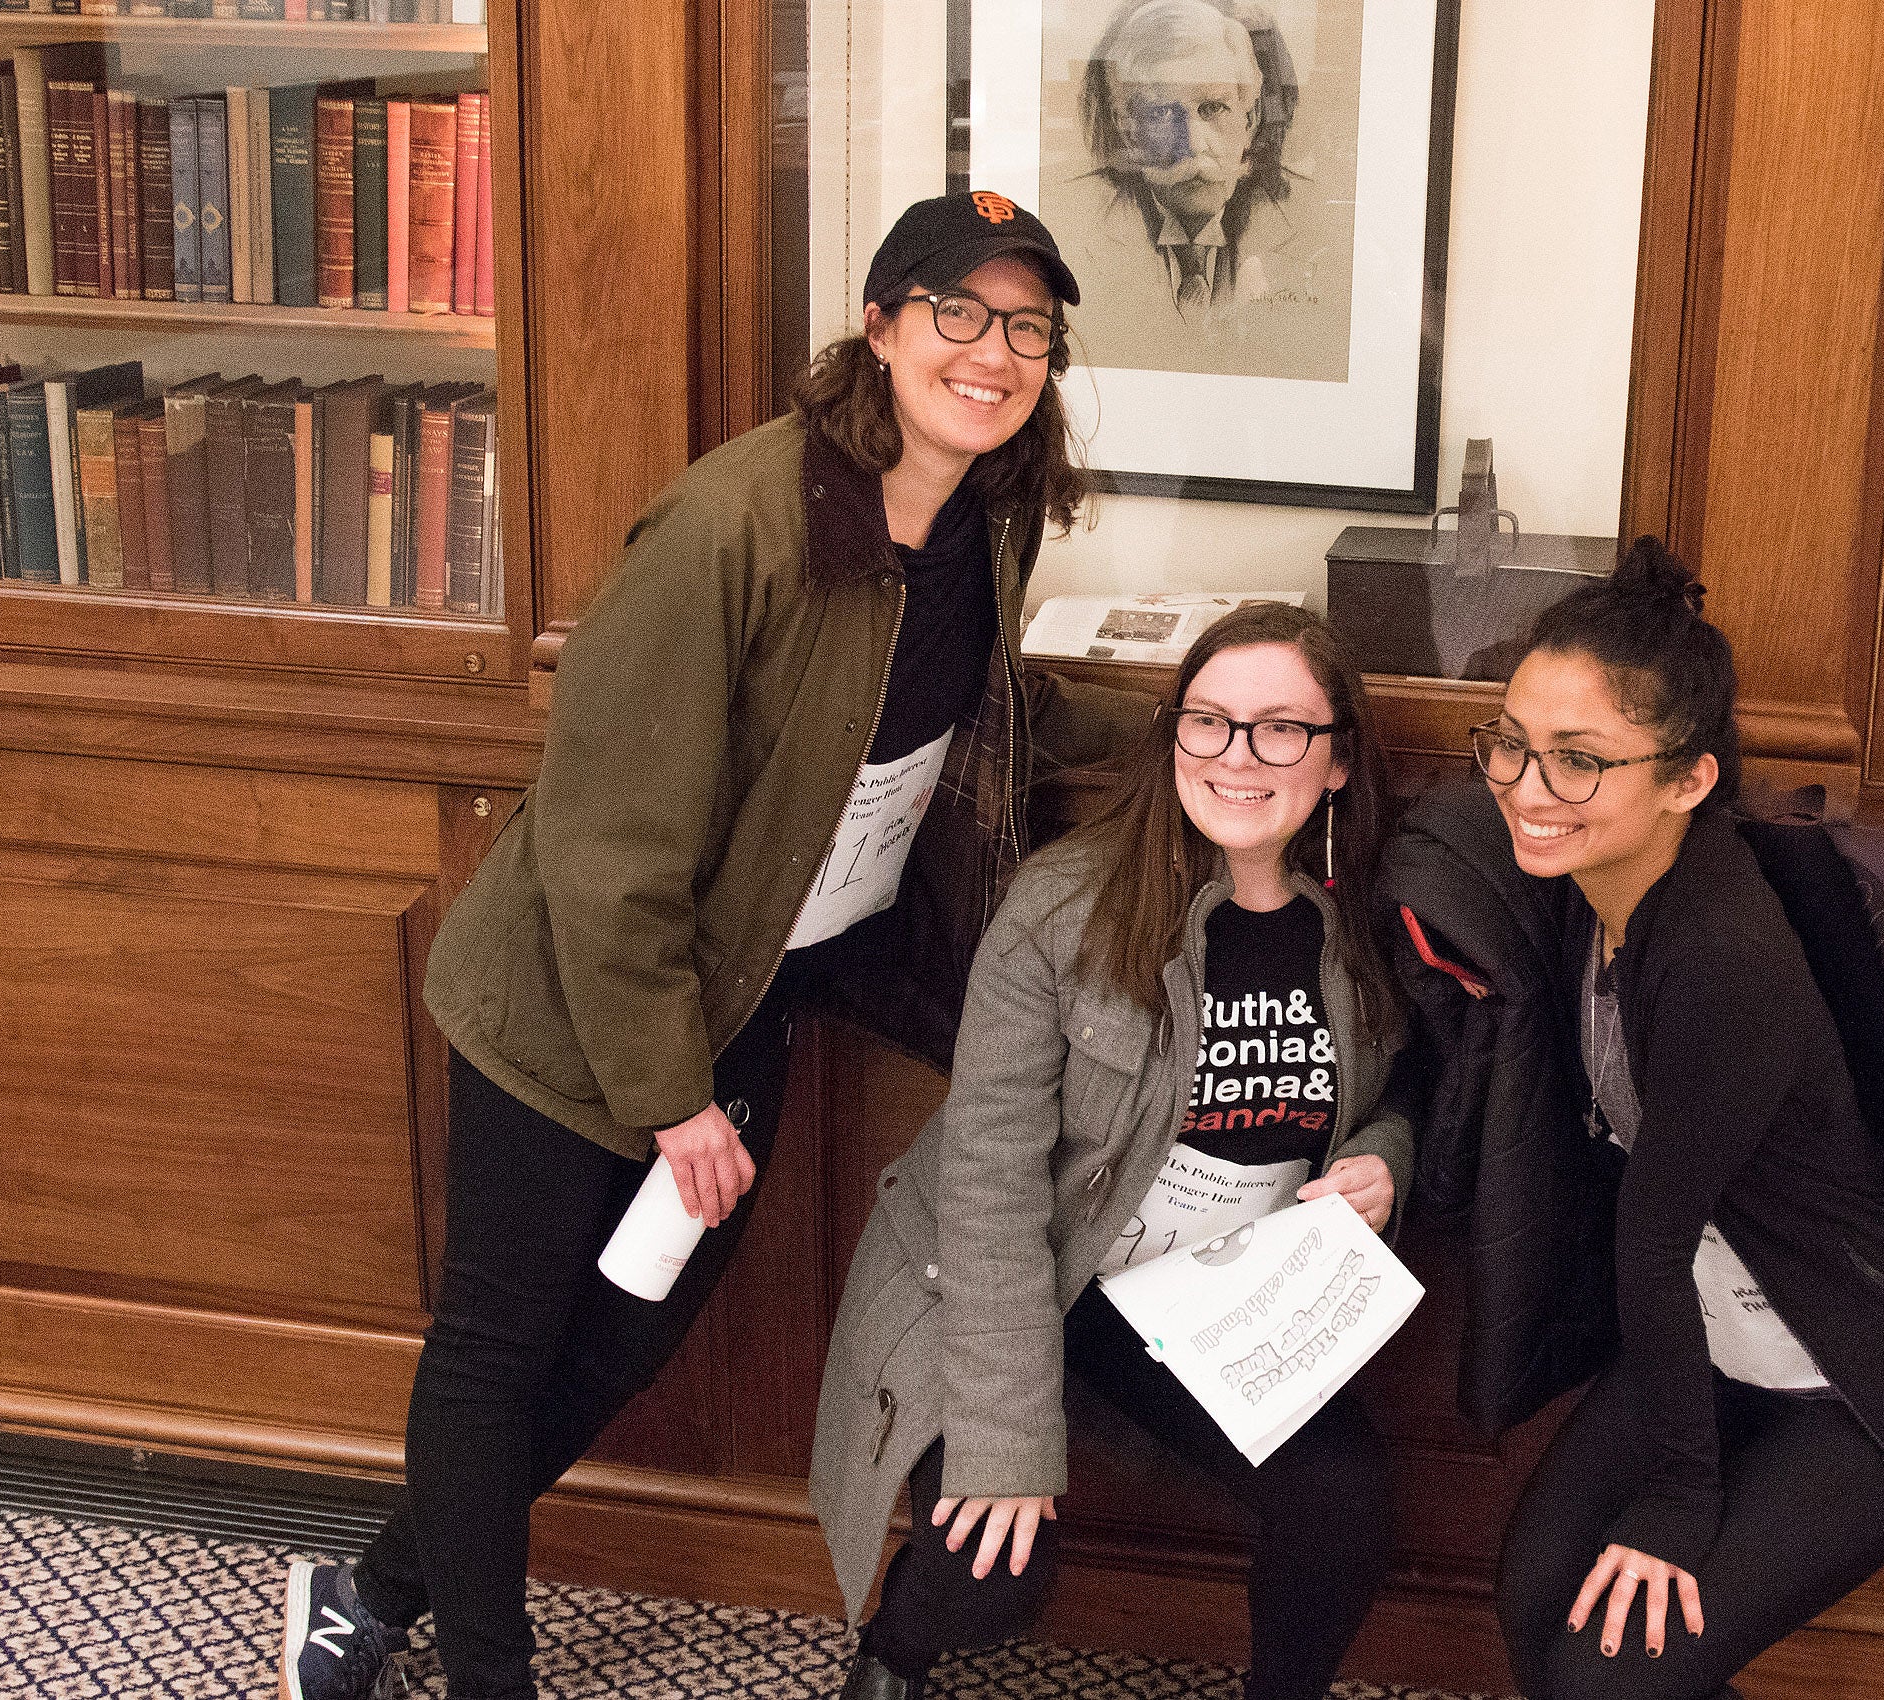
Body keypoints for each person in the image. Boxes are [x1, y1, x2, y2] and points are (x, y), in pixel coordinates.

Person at [277, 191, 1145, 1700]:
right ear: (876, 331)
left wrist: (1204, 731)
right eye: (957, 313)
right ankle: (486, 1669)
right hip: (568, 1015)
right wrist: (672, 1098)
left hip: (745, 1003)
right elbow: (603, 856)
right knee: (497, 1346)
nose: (992, 353)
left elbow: (965, 717)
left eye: (1025, 328)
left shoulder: (978, 521)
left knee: (617, 1351)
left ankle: (371, 1585)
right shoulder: (731, 525)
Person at [1379, 540, 1884, 1700]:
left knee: (1611, 1673)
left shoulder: (1717, 958)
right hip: (1708, 1333)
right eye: (1511, 743)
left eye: (1578, 761)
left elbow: (1651, 1240)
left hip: (1847, 1374)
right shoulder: (1593, 883)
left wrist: (1676, 1503)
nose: (1525, 788)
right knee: (1537, 1593)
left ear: (1690, 780)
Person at [811, 603, 1412, 1700]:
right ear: (1171, 735)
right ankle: (893, 1655)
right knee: (985, 1566)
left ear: (1335, 764)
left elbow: (1397, 1095)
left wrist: (1383, 1157)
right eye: (1210, 722)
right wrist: (1006, 1437)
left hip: (1204, 1300)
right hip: (1031, 1269)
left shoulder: (1365, 924)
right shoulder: (1064, 905)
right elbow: (987, 1182)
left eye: (1281, 729)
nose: (1237, 755)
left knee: (1343, 1495)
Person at [1043, 0, 1348, 380]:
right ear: (1128, 128)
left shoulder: (1325, 223)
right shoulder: (1064, 219)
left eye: (1213, 108)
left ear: (1250, 121)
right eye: (1161, 113)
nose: (1192, 145)